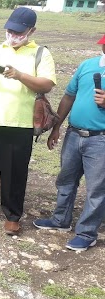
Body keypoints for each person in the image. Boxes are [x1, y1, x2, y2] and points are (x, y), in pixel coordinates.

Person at [0, 8, 56, 235]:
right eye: (10, 30)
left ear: (31, 30)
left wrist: (20, 75)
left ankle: (13, 215)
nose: (13, 35)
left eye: (18, 31)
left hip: (19, 123)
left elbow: (47, 85)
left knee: (14, 172)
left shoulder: (40, 54)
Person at [33, 35, 105, 252]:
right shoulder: (87, 65)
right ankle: (60, 220)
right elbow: (68, 97)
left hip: (101, 139)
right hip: (75, 134)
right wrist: (57, 127)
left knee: (96, 189)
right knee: (66, 180)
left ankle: (86, 233)